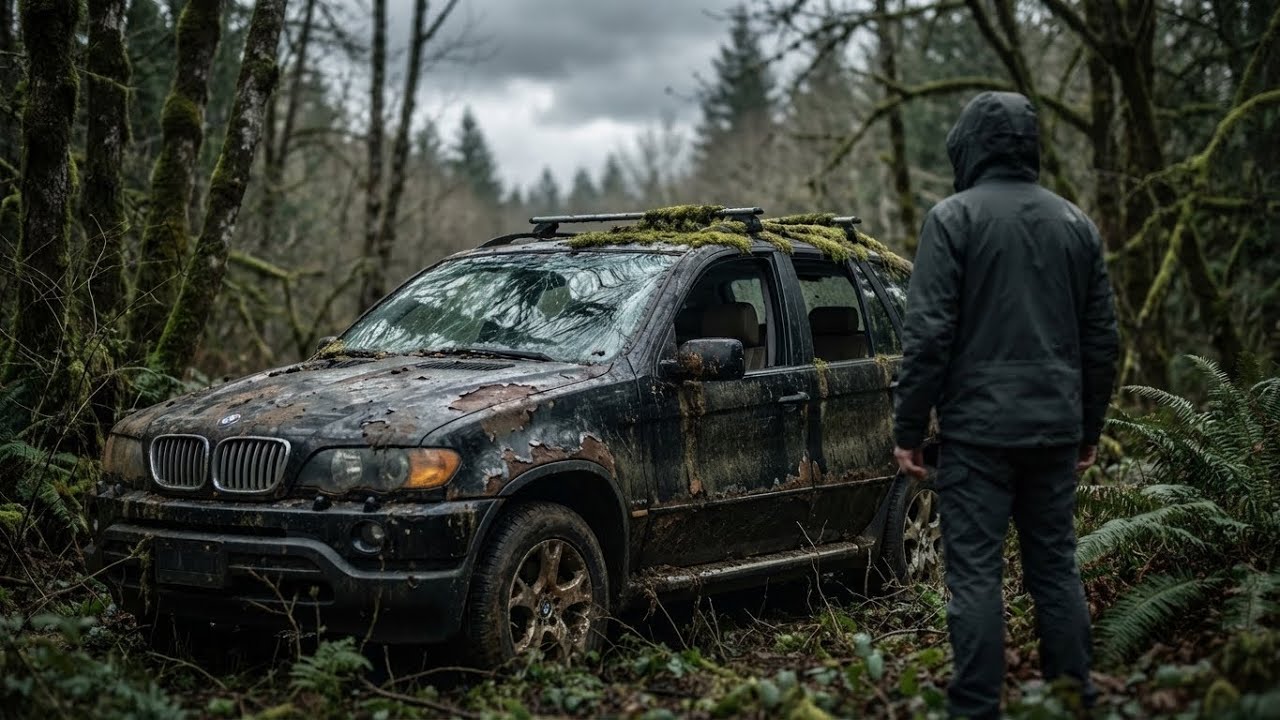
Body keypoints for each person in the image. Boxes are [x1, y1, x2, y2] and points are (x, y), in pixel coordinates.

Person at [892, 91, 1120, 719]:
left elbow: (928, 335)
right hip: (1053, 433)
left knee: (974, 576)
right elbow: (1102, 341)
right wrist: (1087, 429)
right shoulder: (1076, 224)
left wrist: (908, 429)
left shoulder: (952, 220)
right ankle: (1073, 700)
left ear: (967, 149)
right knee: (1055, 568)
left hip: (976, 438)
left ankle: (975, 710)